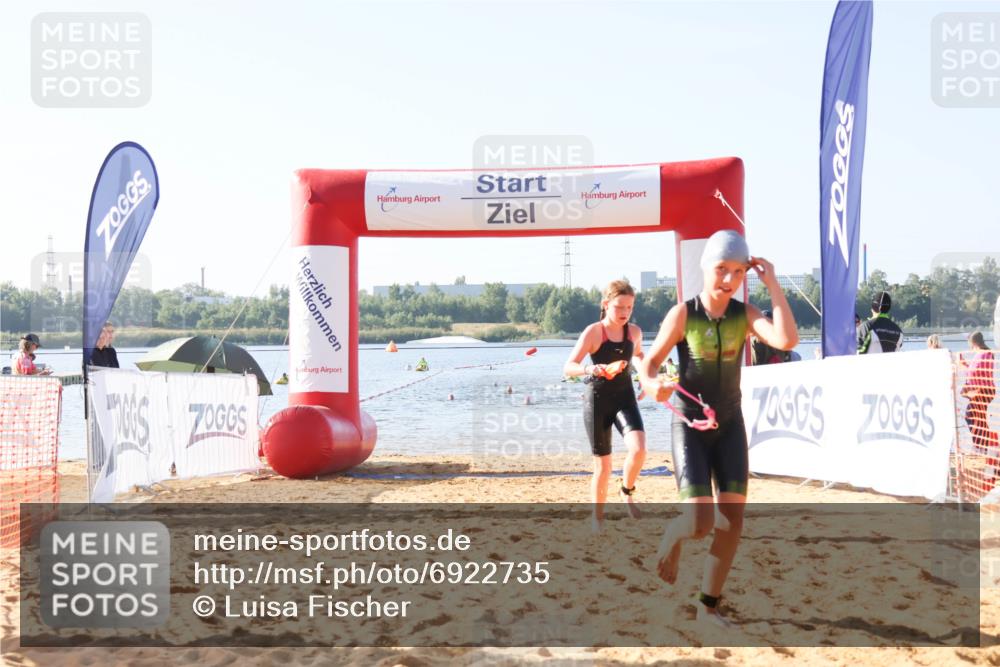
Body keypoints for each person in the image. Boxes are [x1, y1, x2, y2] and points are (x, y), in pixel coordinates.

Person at [638, 230, 798, 627]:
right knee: (700, 524)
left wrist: (772, 284)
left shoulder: (745, 315)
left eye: (738, 272)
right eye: (722, 269)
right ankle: (674, 535)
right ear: (706, 266)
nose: (729, 279)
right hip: (690, 426)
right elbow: (649, 364)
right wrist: (652, 385)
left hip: (729, 425)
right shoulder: (683, 315)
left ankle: (706, 607)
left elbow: (786, 339)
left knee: (732, 522)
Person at [564, 280, 646, 530]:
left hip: (625, 398)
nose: (624, 312)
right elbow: (569, 367)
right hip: (597, 401)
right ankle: (597, 518)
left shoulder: (634, 332)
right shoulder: (594, 332)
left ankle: (626, 491)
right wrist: (591, 369)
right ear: (606, 304)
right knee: (603, 465)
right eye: (619, 306)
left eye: (629, 307)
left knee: (639, 450)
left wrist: (646, 377)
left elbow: (639, 356)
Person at [961, 331, 997, 457]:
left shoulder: (986, 354)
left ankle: (981, 446)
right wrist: (965, 365)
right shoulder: (981, 354)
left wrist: (968, 386)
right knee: (977, 417)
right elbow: (973, 371)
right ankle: (982, 446)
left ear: (973, 342)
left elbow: (976, 372)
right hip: (980, 391)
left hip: (983, 391)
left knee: (972, 416)